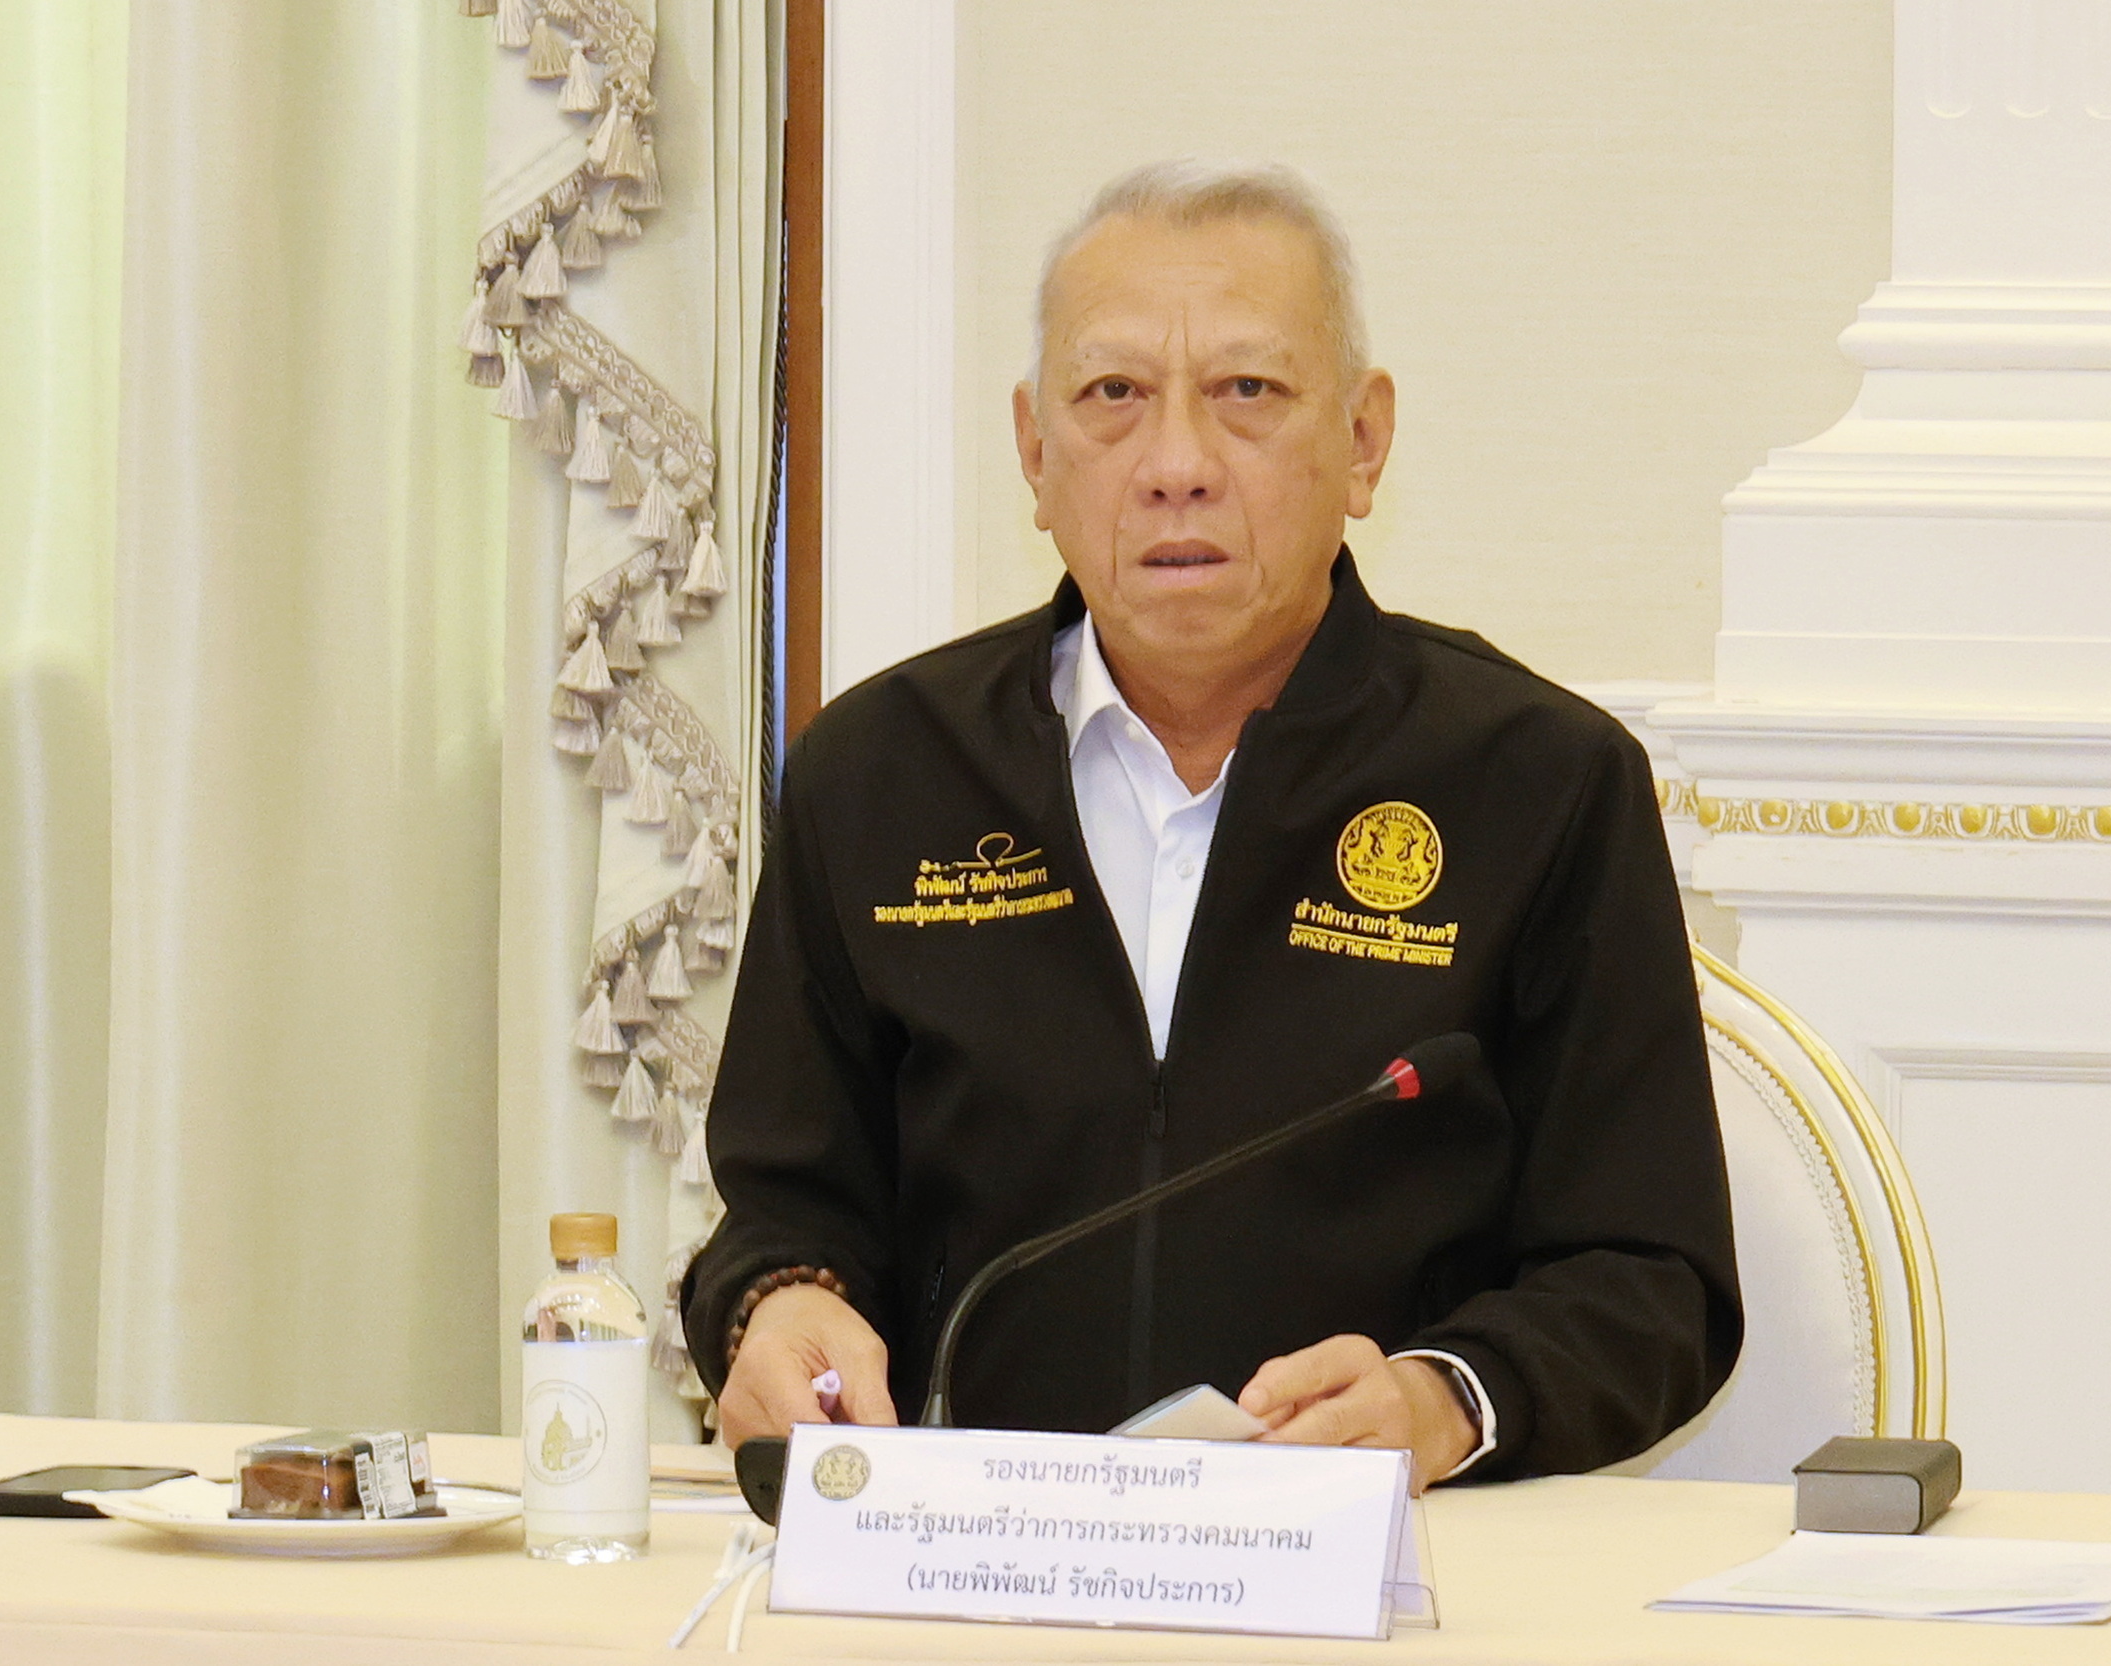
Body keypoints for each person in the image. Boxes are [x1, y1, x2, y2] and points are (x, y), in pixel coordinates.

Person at [681, 160, 1739, 1490]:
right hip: (972, 1551)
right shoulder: (879, 776)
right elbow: (784, 1211)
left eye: (1247, 392)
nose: (1176, 465)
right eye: (1112, 396)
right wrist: (778, 1303)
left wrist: (1442, 1398)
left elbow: (1651, 1280)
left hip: (1386, 1562)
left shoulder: (1537, 781)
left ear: (1363, 441)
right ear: (1034, 453)